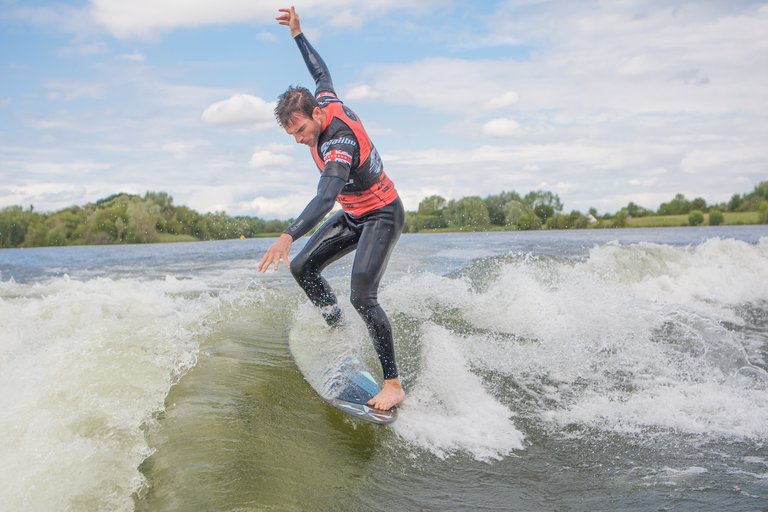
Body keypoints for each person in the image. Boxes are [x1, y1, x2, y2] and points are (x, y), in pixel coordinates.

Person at [258, 6, 405, 411]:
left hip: (382, 215)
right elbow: (320, 73)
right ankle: (338, 329)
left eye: (302, 130)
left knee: (363, 296)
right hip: (355, 214)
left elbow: (325, 199)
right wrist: (297, 35)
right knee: (303, 268)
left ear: (317, 115)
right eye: (292, 134)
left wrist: (288, 234)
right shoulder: (324, 101)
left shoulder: (339, 144)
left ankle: (393, 384)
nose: (299, 140)